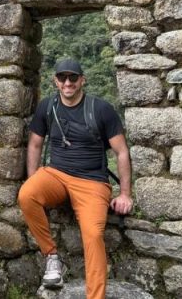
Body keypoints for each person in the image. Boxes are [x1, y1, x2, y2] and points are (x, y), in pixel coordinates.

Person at [17, 58, 133, 299]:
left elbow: (121, 152)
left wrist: (124, 194)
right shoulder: (48, 107)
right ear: (56, 81)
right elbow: (35, 144)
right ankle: (51, 257)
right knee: (27, 195)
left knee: (92, 235)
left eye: (73, 78)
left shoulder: (101, 109)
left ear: (82, 80)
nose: (67, 82)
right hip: (56, 174)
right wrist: (33, 178)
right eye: (62, 78)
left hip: (92, 182)